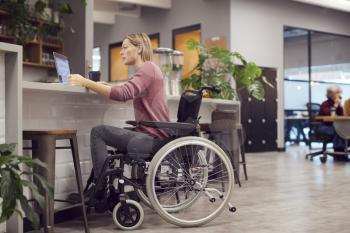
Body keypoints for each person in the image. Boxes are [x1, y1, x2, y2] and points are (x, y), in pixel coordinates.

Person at [69, 33, 170, 196]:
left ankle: (100, 190)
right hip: (154, 137)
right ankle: (102, 186)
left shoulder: (147, 68)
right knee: (109, 133)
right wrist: (103, 85)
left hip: (152, 140)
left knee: (99, 132)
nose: (121, 52)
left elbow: (123, 94)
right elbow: (129, 88)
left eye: (125, 47)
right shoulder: (149, 69)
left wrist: (85, 82)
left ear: (139, 48)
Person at [317, 85, 347, 160]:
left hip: (335, 126)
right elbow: (328, 115)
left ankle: (342, 151)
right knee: (338, 130)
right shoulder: (325, 104)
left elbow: (342, 115)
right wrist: (335, 105)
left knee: (344, 129)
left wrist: (339, 106)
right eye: (337, 93)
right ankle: (338, 153)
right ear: (331, 94)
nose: (339, 95)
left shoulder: (338, 104)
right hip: (324, 126)